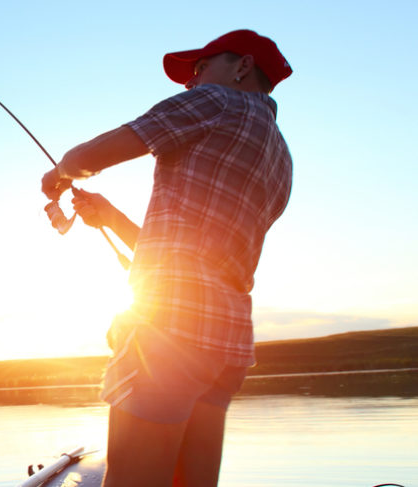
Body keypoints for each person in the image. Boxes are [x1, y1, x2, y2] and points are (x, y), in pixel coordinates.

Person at [40, 30, 293, 487]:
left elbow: (89, 157)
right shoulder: (281, 157)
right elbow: (195, 255)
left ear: (242, 67)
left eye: (200, 68)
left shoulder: (215, 102)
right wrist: (111, 217)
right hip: (226, 341)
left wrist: (60, 173)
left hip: (169, 332)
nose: (191, 83)